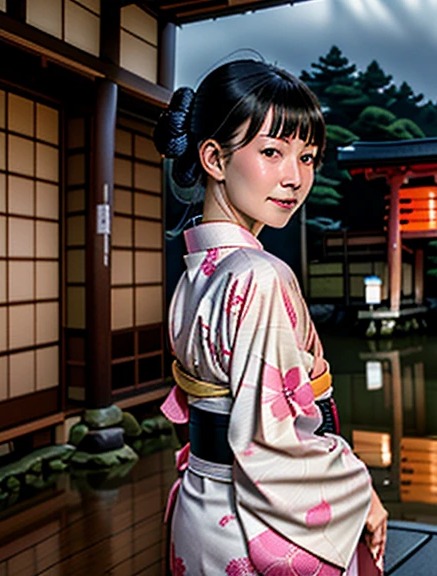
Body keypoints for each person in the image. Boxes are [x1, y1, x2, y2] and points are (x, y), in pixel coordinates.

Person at [155, 59, 387, 575]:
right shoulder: (259, 274)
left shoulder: (200, 271)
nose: (295, 178)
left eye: (307, 157)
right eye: (271, 152)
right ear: (214, 157)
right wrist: (360, 491)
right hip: (253, 520)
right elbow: (271, 438)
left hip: (200, 505)